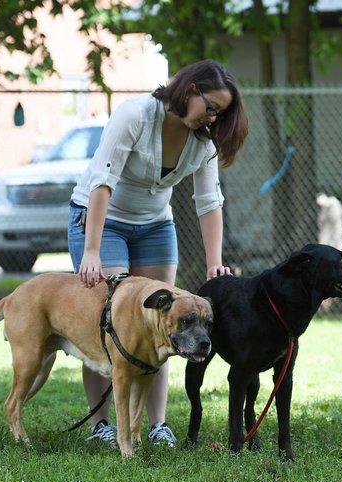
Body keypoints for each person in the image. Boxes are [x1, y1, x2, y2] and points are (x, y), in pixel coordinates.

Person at [67, 59, 249, 446]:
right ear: (190, 90)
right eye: (212, 107)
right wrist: (93, 250)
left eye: (220, 113)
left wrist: (215, 263)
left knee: (163, 323)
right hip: (103, 220)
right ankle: (102, 426)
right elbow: (102, 181)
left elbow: (209, 200)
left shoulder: (202, 140)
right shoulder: (135, 115)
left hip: (154, 226)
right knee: (111, 322)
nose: (214, 119)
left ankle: (158, 424)